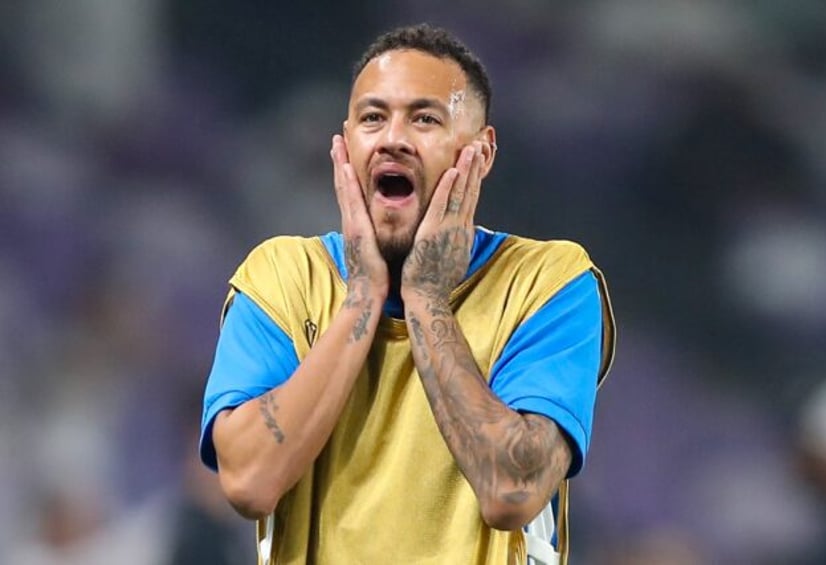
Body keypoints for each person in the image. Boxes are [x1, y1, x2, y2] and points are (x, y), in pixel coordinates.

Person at [200, 23, 615, 565]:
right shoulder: (283, 277)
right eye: (373, 118)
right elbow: (249, 482)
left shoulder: (547, 283)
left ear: (481, 153)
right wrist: (361, 298)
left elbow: (512, 490)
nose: (393, 138)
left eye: (425, 118)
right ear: (344, 148)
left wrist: (427, 299)